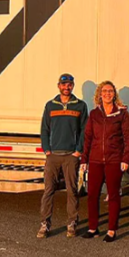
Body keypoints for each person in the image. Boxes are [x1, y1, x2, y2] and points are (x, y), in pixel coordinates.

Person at [80, 80, 129, 242]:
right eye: (104, 91)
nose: (107, 94)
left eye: (110, 91)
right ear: (99, 94)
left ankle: (111, 230)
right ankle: (93, 228)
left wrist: (125, 158)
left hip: (114, 160)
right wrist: (84, 159)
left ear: (114, 94)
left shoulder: (122, 114)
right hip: (95, 160)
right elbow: (88, 137)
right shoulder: (94, 114)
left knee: (113, 195)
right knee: (92, 195)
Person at [38, 73, 89, 239]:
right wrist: (47, 149)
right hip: (53, 155)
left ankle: (72, 222)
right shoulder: (50, 106)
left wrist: (78, 151)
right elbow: (45, 129)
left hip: (70, 156)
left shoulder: (80, 105)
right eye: (64, 84)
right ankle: (45, 224)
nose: (66, 87)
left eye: (70, 85)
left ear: (73, 86)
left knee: (72, 190)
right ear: (58, 85)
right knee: (48, 190)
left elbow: (84, 131)